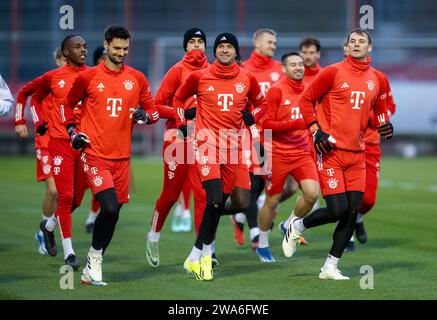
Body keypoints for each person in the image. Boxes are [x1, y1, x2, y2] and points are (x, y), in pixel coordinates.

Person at [282, 28, 394, 280]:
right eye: (352, 41)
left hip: (358, 154)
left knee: (352, 212)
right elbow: (305, 100)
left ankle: (329, 267)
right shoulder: (332, 72)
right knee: (337, 210)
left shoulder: (377, 78)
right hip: (330, 150)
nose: (356, 44)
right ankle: (297, 225)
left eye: (361, 41)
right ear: (347, 46)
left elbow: (382, 109)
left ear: (370, 48)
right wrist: (315, 130)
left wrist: (385, 124)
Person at [62, 25, 159, 285]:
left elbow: (153, 111)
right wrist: (73, 131)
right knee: (109, 206)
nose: (121, 53)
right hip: (94, 153)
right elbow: (66, 105)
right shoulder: (88, 77)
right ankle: (94, 261)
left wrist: (145, 116)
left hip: (122, 158)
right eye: (117, 48)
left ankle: (93, 262)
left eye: (125, 49)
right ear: (105, 45)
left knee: (114, 214)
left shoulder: (137, 78)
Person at [174, 32, 266, 280]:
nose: (225, 50)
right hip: (206, 145)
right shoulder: (199, 76)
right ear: (215, 52)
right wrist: (184, 122)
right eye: (221, 47)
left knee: (218, 204)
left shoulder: (247, 78)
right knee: (214, 200)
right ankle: (205, 259)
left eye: (229, 47)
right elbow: (178, 98)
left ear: (236, 52)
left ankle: (194, 255)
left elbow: (261, 104)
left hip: (232, 148)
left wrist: (253, 117)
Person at [145, 27, 209, 268]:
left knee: (203, 195)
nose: (196, 46)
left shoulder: (212, 72)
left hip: (204, 139)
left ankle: (204, 250)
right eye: (191, 41)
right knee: (171, 195)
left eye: (200, 42)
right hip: (177, 137)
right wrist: (184, 113)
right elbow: (156, 106)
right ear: (185, 46)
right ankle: (153, 235)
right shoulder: (177, 71)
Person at [231, 28, 293, 249]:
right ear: (257, 44)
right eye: (269, 42)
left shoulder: (280, 70)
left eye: (275, 43)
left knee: (285, 187)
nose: (273, 46)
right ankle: (255, 232)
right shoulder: (244, 69)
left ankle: (240, 215)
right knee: (252, 181)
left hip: (274, 135)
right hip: (251, 134)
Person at [31, 35, 89, 269]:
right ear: (65, 52)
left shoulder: (92, 75)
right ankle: (70, 254)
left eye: (84, 46)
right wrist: (38, 123)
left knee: (76, 200)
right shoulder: (53, 77)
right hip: (60, 143)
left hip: (85, 144)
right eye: (77, 47)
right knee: (63, 196)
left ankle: (48, 226)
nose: (83, 49)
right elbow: (34, 99)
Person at [257, 52, 320, 262]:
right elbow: (266, 124)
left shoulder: (310, 90)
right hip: (277, 153)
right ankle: (262, 244)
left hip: (301, 152)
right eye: (293, 65)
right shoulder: (276, 91)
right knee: (272, 201)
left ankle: (289, 224)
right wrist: (295, 124)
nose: (298, 67)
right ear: (283, 69)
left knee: (312, 194)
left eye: (300, 64)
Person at [14, 47, 65, 254]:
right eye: (61, 58)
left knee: (66, 195)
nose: (64, 61)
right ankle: (45, 229)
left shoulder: (80, 78)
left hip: (66, 144)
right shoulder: (49, 79)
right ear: (58, 59)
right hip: (45, 142)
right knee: (53, 190)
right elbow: (24, 93)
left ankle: (45, 228)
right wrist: (19, 121)